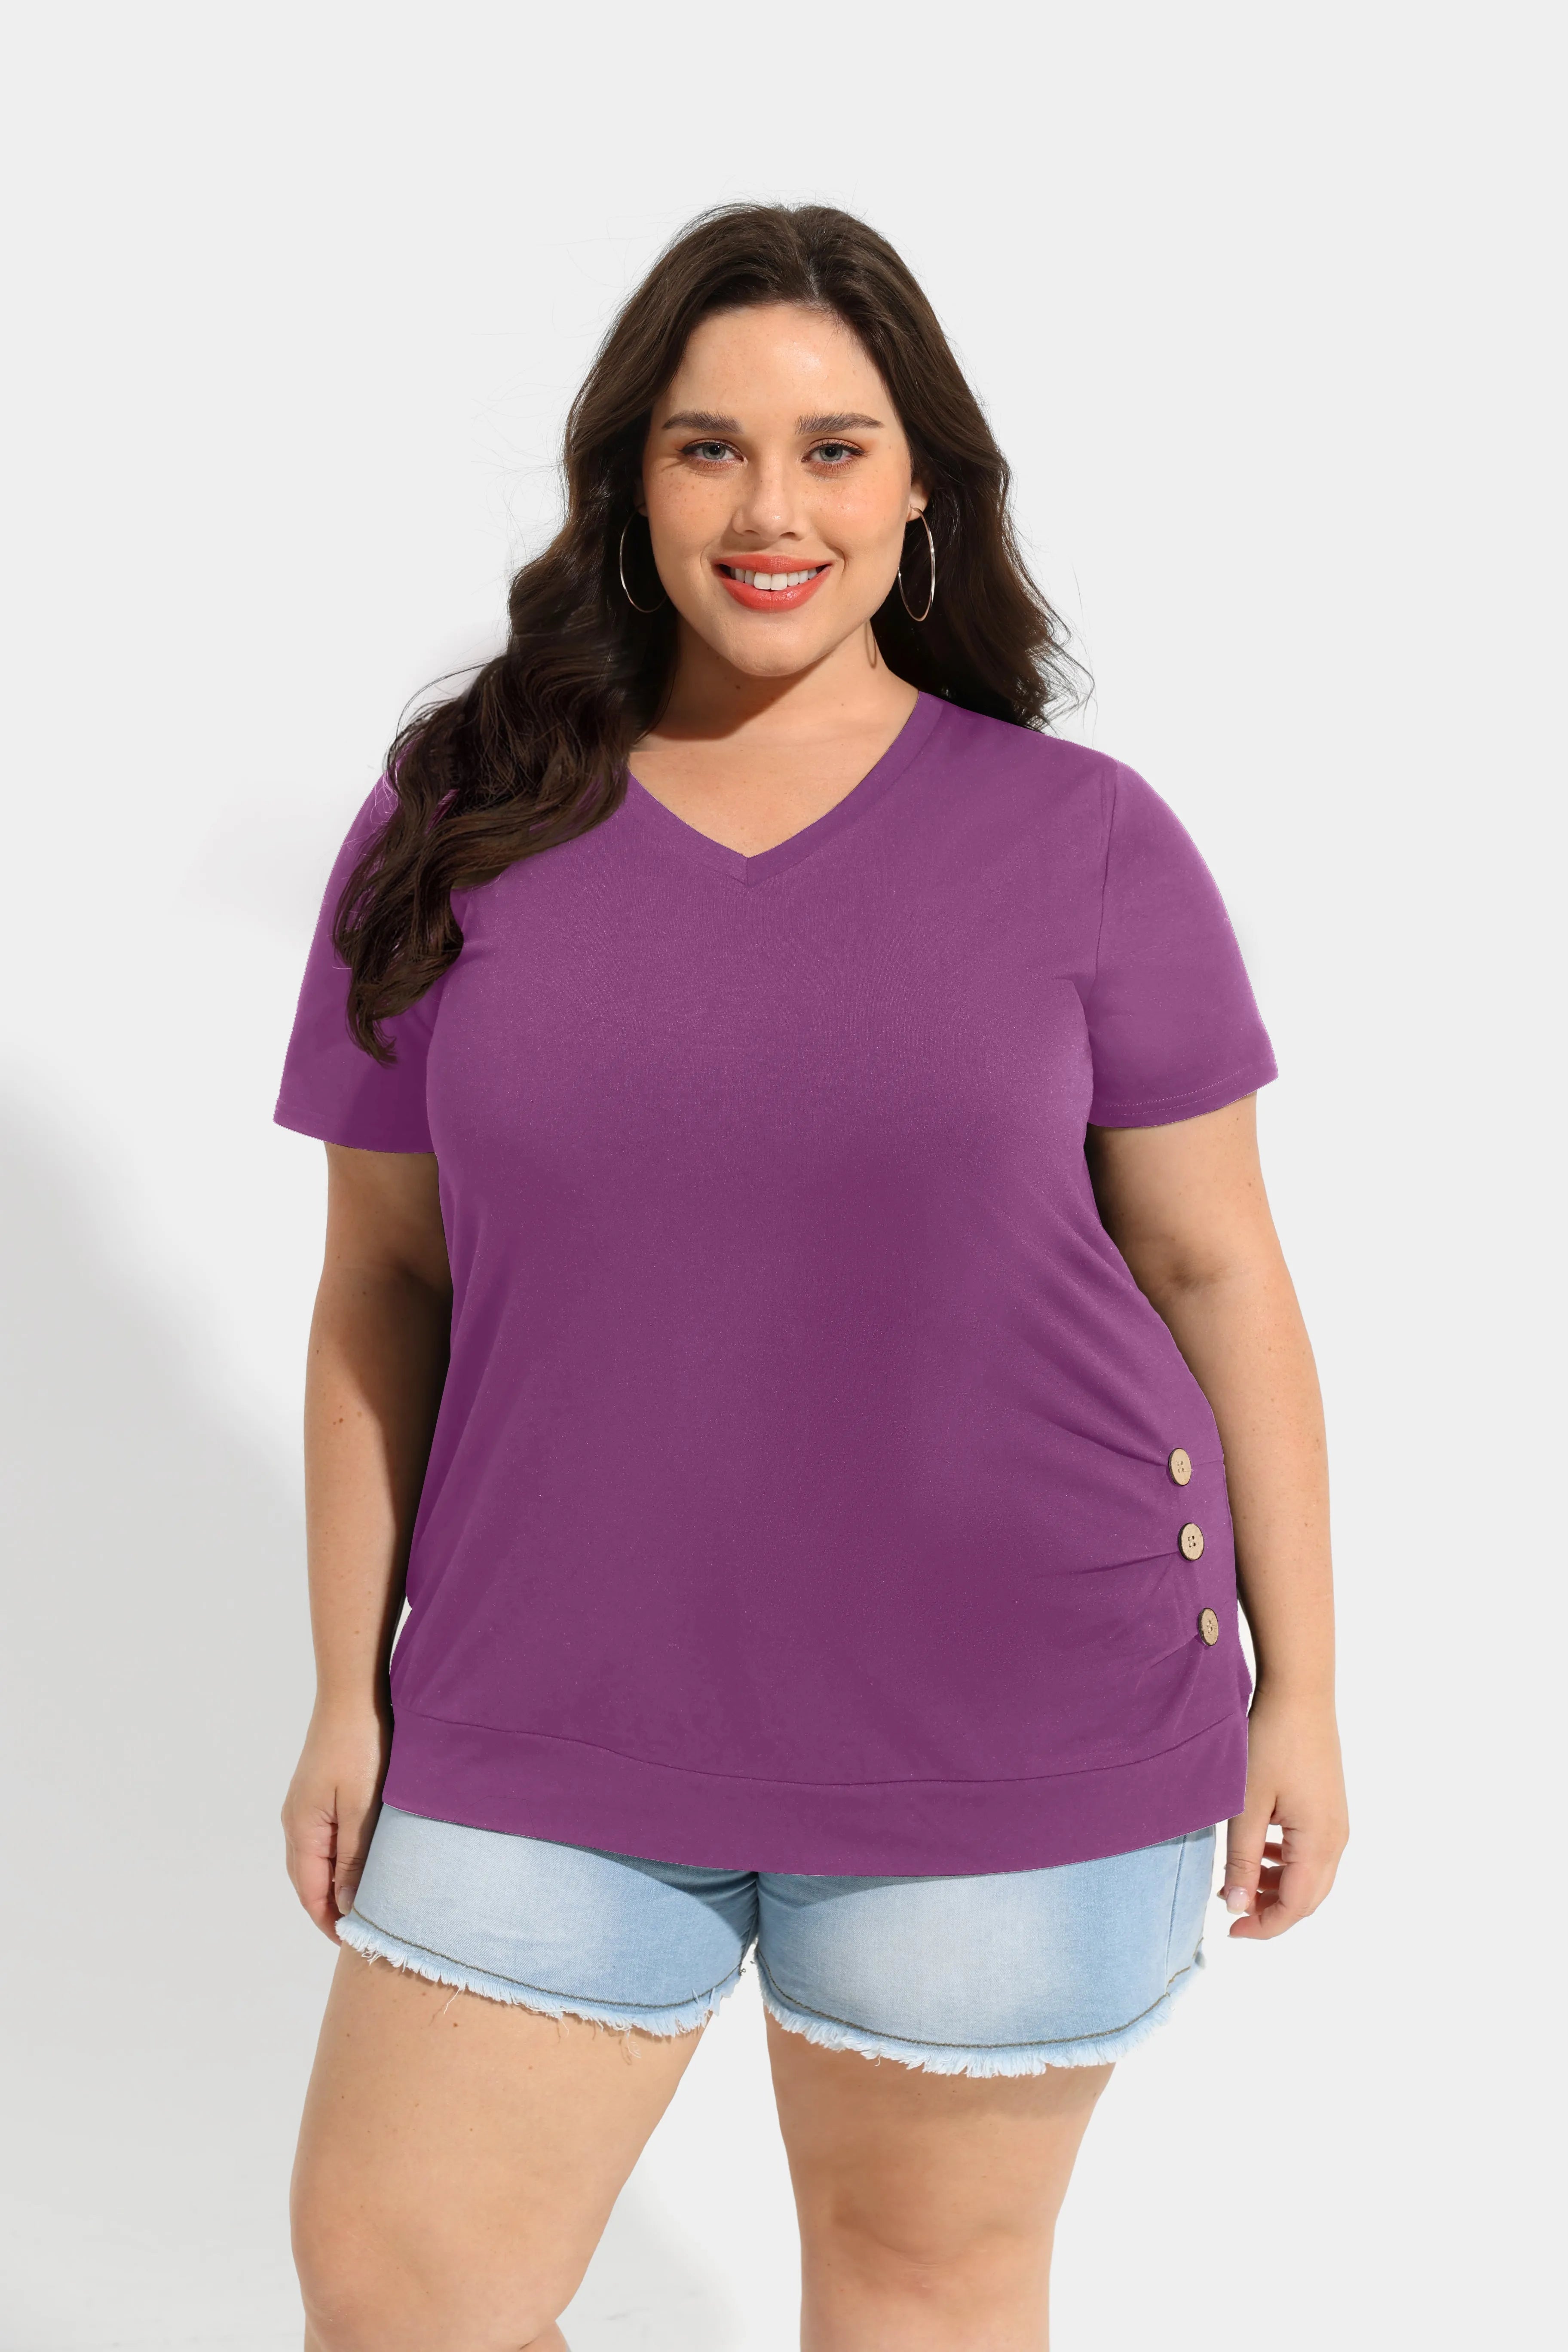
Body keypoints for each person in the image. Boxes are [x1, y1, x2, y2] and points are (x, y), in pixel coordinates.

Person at [275, 202, 1348, 2352]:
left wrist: (1305, 1689)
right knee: (401, 2290)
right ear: (629, 480)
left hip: (1014, 1704)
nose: (773, 510)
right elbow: (383, 1282)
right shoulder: (459, 821)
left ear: (921, 484)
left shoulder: (1084, 838)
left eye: (835, 449)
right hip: (546, 1698)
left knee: (920, 2302)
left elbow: (1216, 1266)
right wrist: (344, 1686)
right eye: (710, 448)